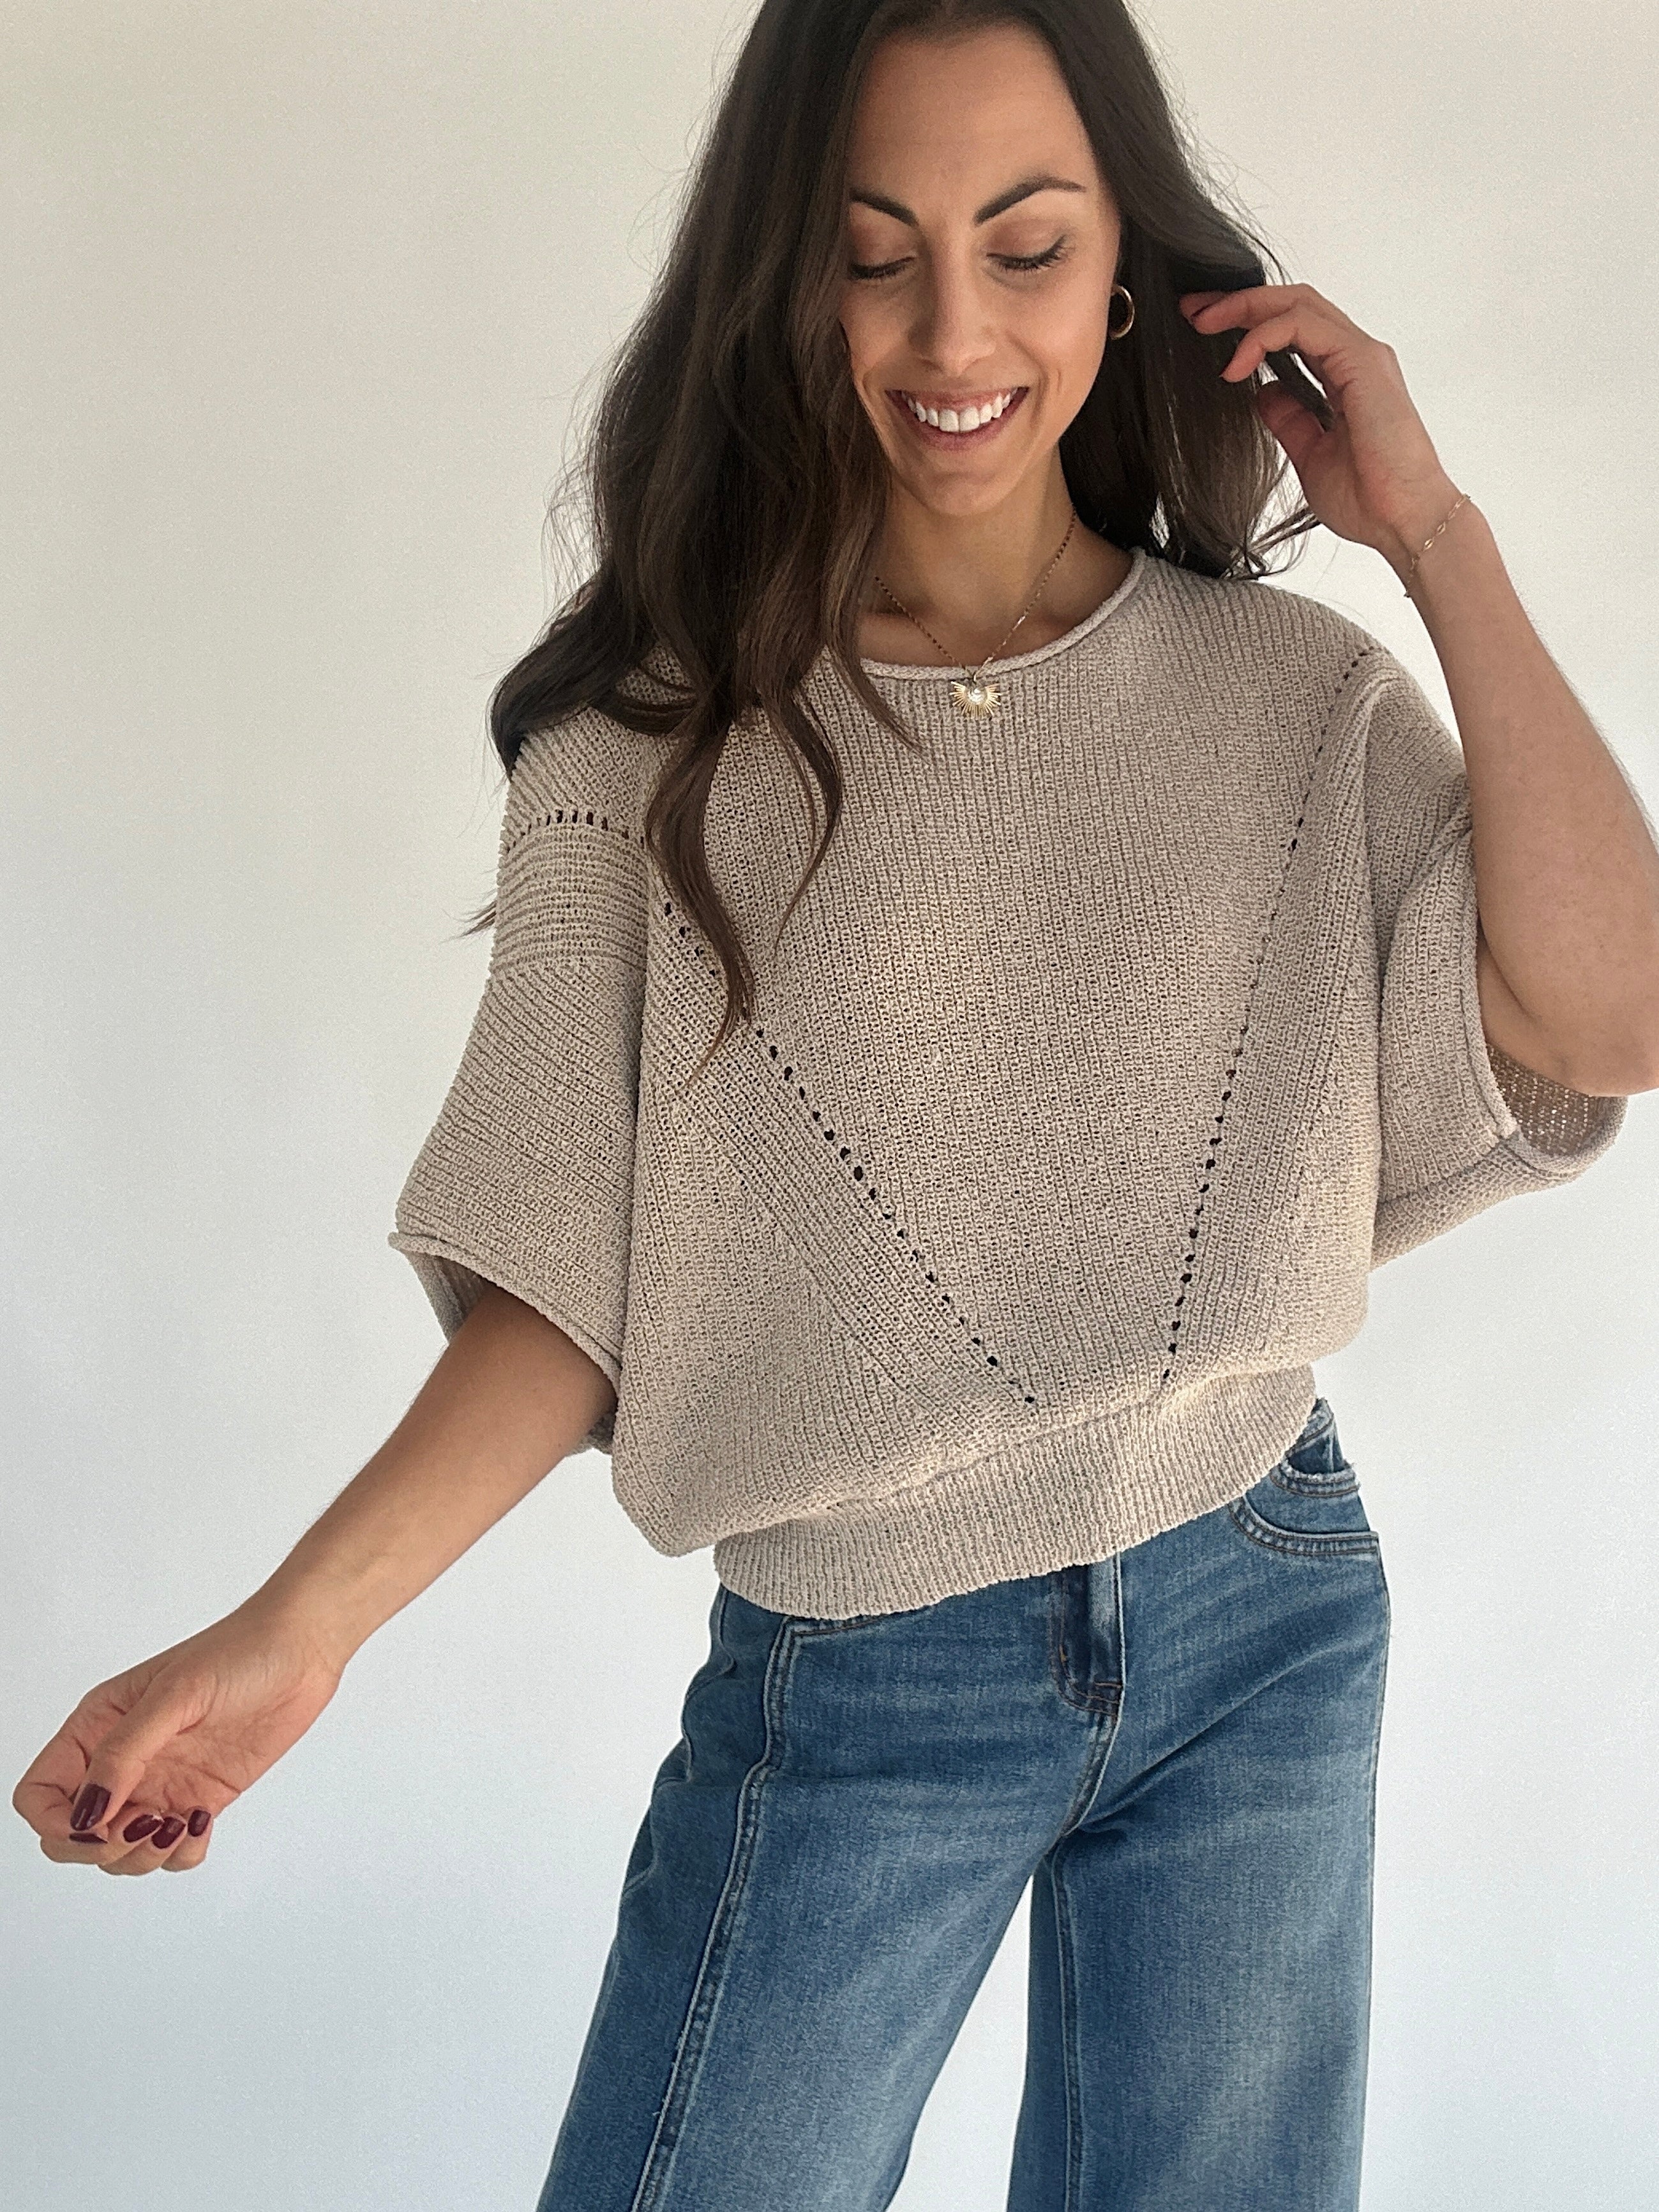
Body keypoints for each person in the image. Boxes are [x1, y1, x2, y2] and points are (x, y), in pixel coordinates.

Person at [15, 3, 1655, 2207]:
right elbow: (566, 1279)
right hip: (861, 1677)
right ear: (782, 275)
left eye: (1027, 243)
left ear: (1127, 275)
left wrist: (1428, 526)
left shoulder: (1294, 704)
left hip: (1262, 1597)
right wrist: (292, 1633)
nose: (952, 325)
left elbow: (1609, 1013)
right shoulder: (645, 762)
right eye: (874, 251)